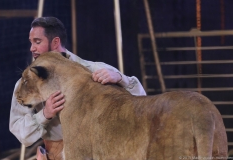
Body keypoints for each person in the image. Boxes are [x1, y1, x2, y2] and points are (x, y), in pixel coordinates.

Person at [9, 17, 146, 159]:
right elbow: (20, 133)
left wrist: (120, 78)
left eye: (37, 42)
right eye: (31, 42)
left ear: (55, 42)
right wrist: (45, 114)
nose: (32, 48)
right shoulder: (27, 84)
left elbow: (141, 99)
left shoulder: (93, 69)